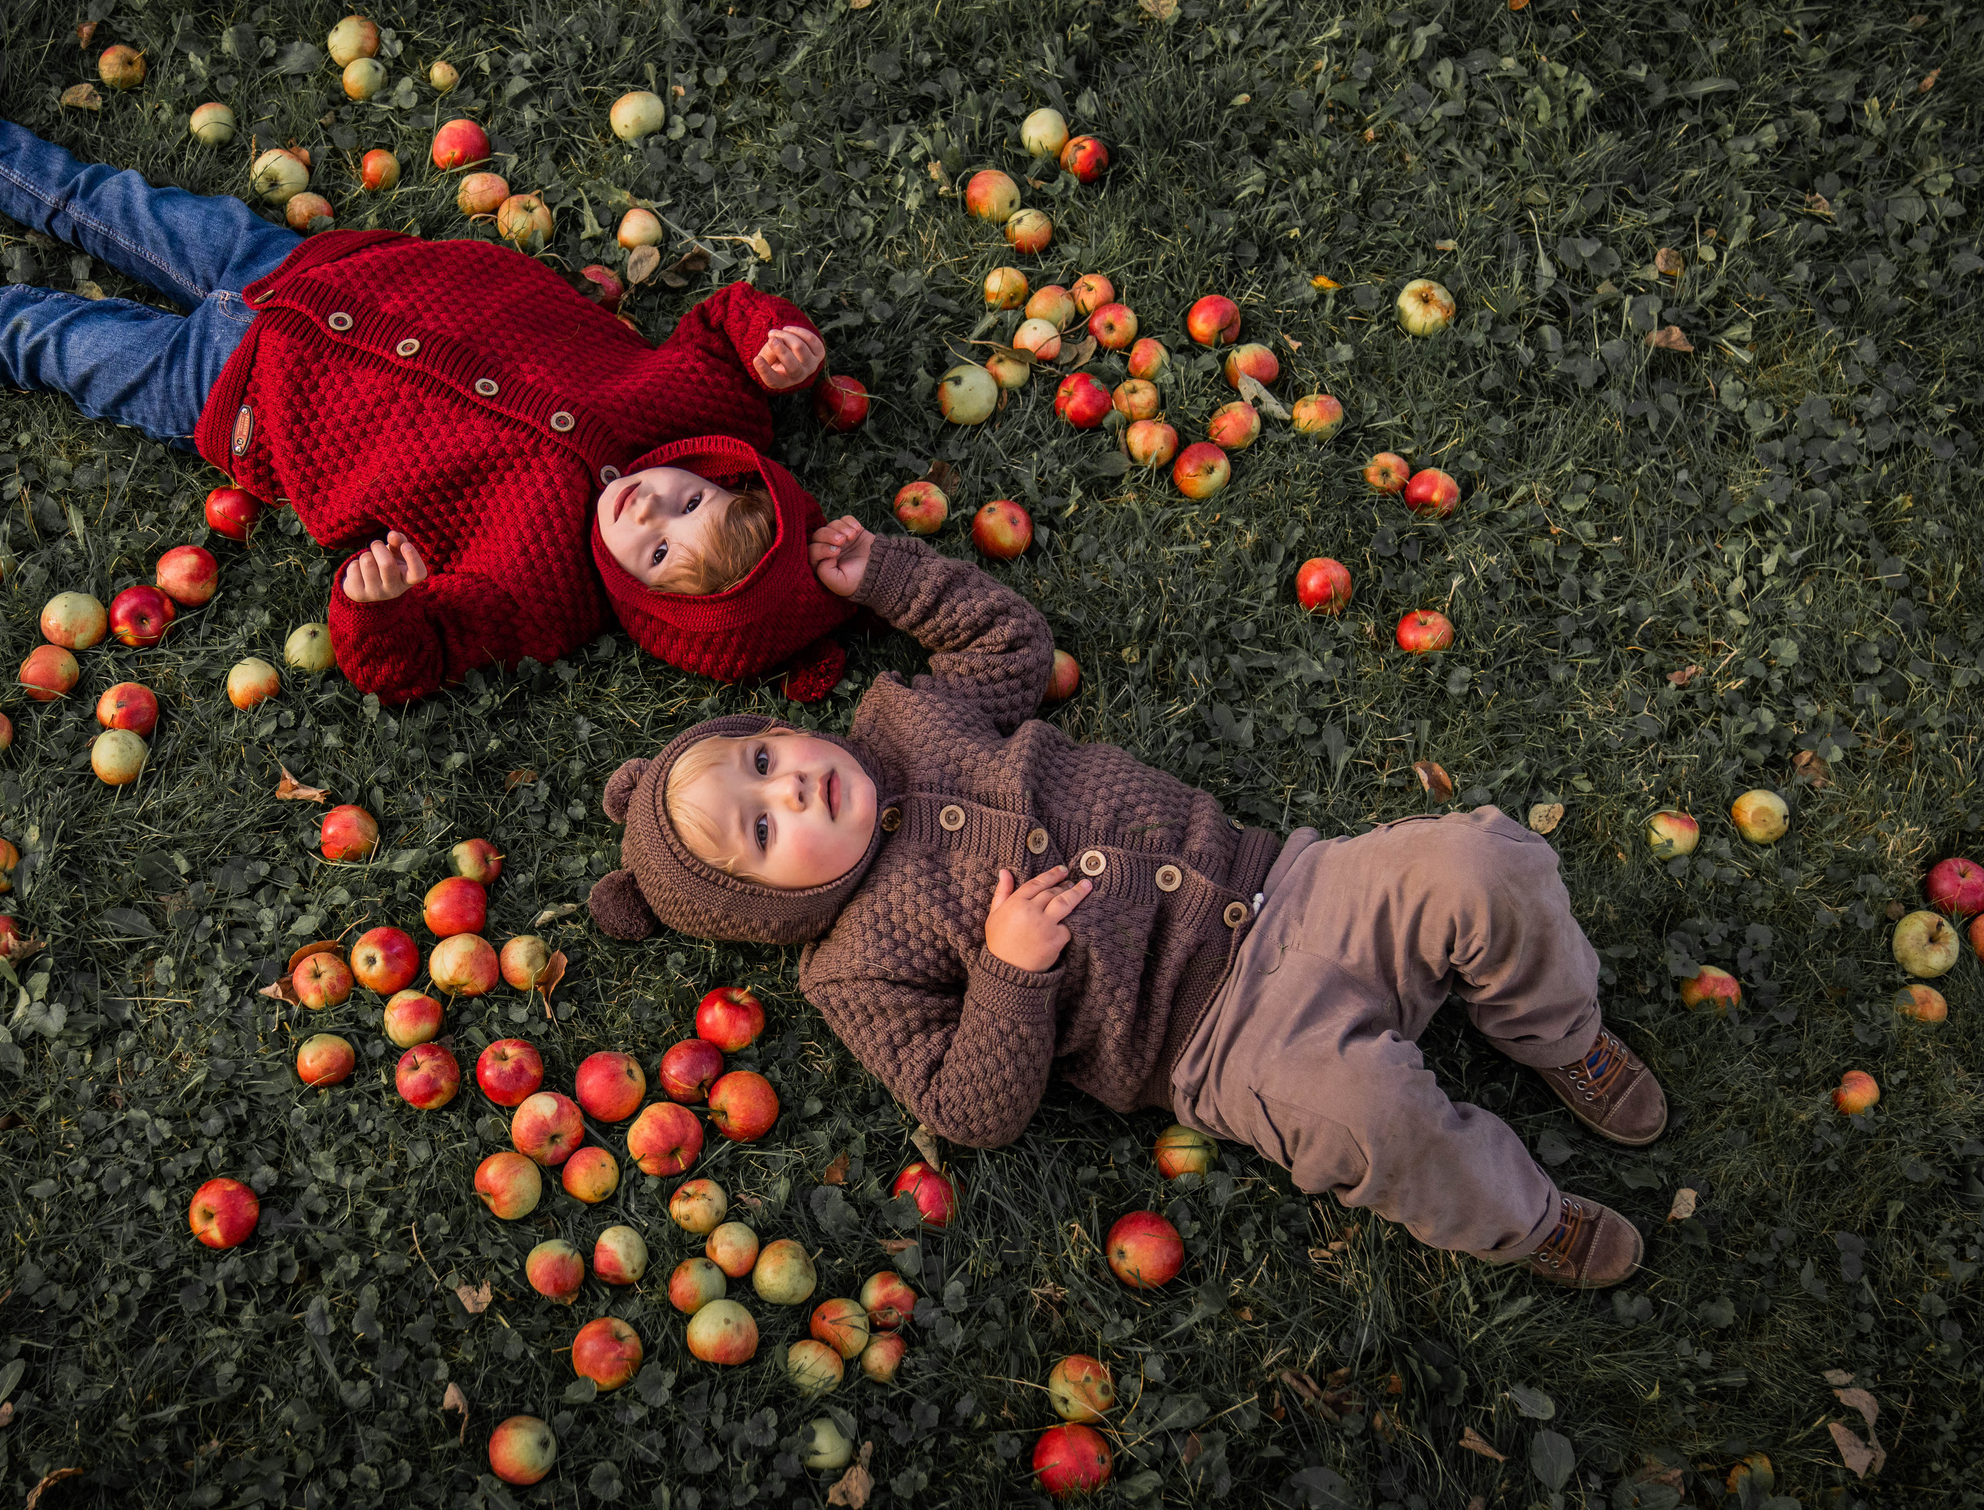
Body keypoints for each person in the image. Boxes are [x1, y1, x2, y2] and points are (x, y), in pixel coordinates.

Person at [0, 0, 857, 702]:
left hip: (233, 400)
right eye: (688, 506)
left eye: (659, 557)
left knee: (33, 336)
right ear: (715, 471)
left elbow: (418, 656)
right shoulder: (701, 409)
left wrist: (377, 610)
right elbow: (720, 317)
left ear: (645, 609)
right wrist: (778, 340)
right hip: (314, 271)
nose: (650, 515)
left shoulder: (542, 595)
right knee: (98, 203)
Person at [584, 520, 1668, 1288]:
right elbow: (968, 1111)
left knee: (1489, 866)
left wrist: (887, 574)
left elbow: (1011, 646)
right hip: (1221, 1045)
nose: (789, 784)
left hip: (1289, 883)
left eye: (763, 755)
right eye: (764, 831)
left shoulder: (909, 723)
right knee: (1372, 1122)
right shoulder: (850, 967)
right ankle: (1524, 1222)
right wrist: (1011, 971)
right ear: (766, 909)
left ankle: (1558, 1032)